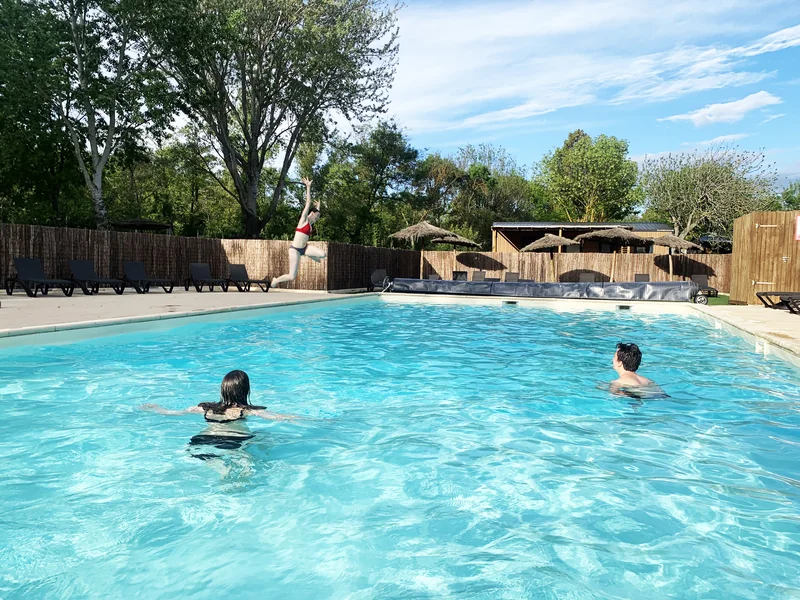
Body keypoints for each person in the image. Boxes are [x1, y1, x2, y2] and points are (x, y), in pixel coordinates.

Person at [271, 178, 326, 288]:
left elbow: (315, 212)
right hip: (295, 250)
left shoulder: (311, 224)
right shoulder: (303, 220)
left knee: (323, 255)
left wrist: (318, 207)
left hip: (304, 248)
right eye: (317, 216)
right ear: (312, 213)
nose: (318, 218)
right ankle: (276, 280)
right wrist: (308, 187)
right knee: (292, 276)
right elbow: (308, 203)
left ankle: (308, 254)